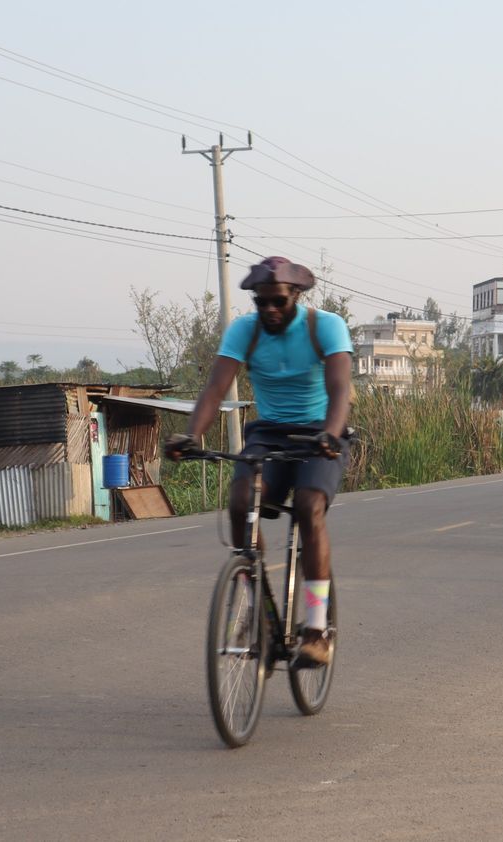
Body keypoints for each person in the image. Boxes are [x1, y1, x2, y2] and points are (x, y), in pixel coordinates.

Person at [164, 256, 353, 665]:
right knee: (240, 500)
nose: (268, 309)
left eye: (278, 302)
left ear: (296, 297)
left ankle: (317, 629)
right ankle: (256, 604)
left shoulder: (326, 326)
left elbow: (340, 389)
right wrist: (192, 435)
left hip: (322, 433)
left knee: (307, 507)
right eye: (260, 302)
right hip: (268, 434)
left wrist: (331, 434)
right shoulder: (245, 332)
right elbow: (216, 387)